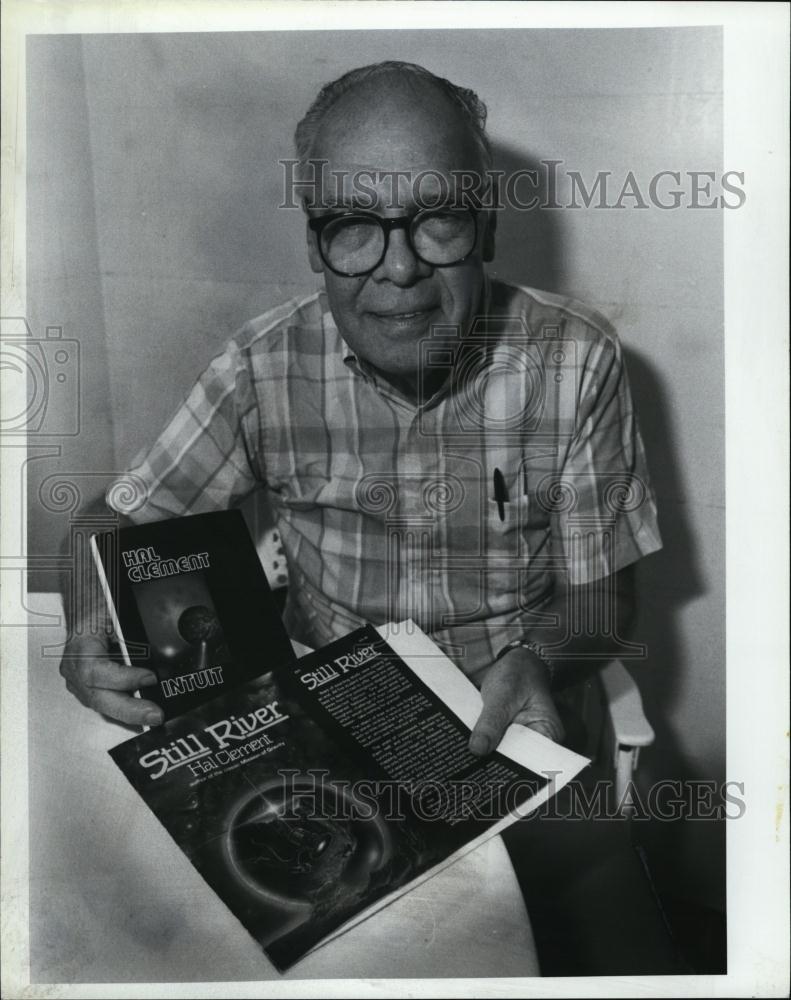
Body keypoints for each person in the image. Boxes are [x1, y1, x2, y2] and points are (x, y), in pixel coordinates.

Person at [60, 61, 661, 757]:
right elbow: (108, 523)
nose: (399, 269)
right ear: (316, 246)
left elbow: (602, 602)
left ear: (487, 230)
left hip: (514, 718)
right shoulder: (260, 366)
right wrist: (85, 627)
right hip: (328, 723)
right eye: (352, 224)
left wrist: (539, 660)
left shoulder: (576, 361)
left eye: (437, 219)